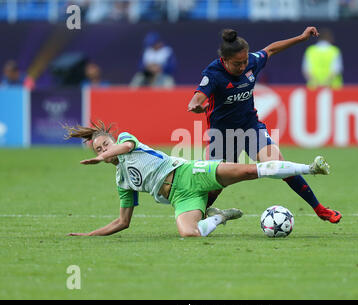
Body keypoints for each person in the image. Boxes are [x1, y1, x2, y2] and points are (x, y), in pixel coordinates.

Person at [63, 121, 332, 237]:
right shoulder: (122, 180)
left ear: (112, 139)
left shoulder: (124, 141)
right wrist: (90, 234)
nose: (103, 150)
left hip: (190, 173)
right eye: (98, 150)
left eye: (104, 144)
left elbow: (125, 147)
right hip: (181, 197)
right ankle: (219, 217)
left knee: (249, 171)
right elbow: (123, 222)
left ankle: (311, 168)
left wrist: (102, 156)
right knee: (188, 234)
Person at [187, 27, 342, 224]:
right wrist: (197, 106)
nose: (243, 66)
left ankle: (320, 209)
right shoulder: (213, 73)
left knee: (278, 166)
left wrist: (301, 38)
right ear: (224, 60)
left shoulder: (251, 61)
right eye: (237, 63)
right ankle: (196, 215)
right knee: (215, 186)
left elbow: (271, 50)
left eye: (244, 61)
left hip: (251, 128)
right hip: (223, 137)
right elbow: (196, 99)